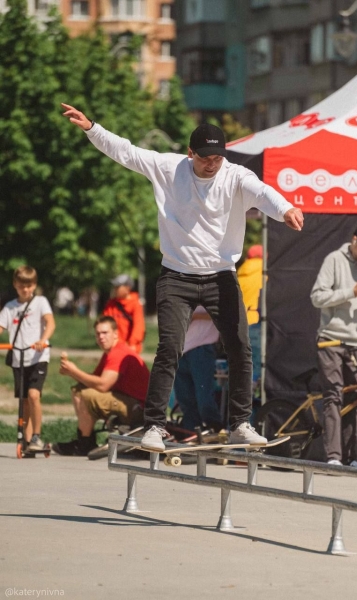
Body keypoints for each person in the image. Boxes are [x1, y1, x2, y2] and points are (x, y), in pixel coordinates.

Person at [61, 102, 304, 451]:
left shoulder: (235, 175)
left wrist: (285, 209)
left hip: (221, 276)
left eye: (217, 158)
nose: (211, 164)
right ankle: (155, 426)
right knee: (169, 349)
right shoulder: (168, 167)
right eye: (204, 158)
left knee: (239, 347)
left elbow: (263, 194)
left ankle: (239, 423)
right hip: (177, 277)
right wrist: (92, 128)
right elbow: (126, 153)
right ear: (190, 153)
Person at [310, 224, 357, 467]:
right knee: (333, 396)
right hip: (332, 338)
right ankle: (334, 457)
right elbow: (317, 297)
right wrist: (351, 292)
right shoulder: (334, 259)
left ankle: (353, 456)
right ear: (354, 240)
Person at [52, 316, 150, 456]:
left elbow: (103, 385)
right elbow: (93, 380)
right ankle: (85, 441)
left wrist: (74, 371)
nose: (101, 337)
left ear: (116, 333)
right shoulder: (110, 353)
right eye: (97, 334)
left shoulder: (118, 352)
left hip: (138, 407)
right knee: (79, 389)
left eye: (105, 333)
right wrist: (71, 373)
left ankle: (84, 443)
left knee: (83, 394)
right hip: (128, 401)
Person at [0, 266, 55, 452]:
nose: (26, 289)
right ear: (15, 284)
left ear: (34, 285)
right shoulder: (10, 307)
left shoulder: (40, 302)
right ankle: (27, 439)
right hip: (19, 358)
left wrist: (43, 340)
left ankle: (36, 437)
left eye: (29, 285)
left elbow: (50, 323)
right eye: (22, 285)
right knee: (24, 401)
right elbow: (1, 326)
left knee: (33, 395)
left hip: (38, 357)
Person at [174, 306, 223, 433]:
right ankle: (191, 432)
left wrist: (194, 316)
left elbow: (222, 313)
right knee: (185, 398)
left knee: (204, 398)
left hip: (201, 347)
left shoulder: (212, 289)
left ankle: (216, 429)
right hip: (180, 347)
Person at [237, 244, 263, 382]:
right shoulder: (265, 273)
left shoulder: (239, 274)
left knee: (243, 365)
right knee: (259, 365)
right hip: (257, 323)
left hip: (239, 324)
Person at [103, 274, 145, 354]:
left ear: (127, 288)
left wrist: (132, 343)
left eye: (117, 287)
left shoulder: (135, 304)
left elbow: (139, 326)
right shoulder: (111, 304)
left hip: (129, 347)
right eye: (114, 287)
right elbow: (104, 323)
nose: (114, 289)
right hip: (113, 347)